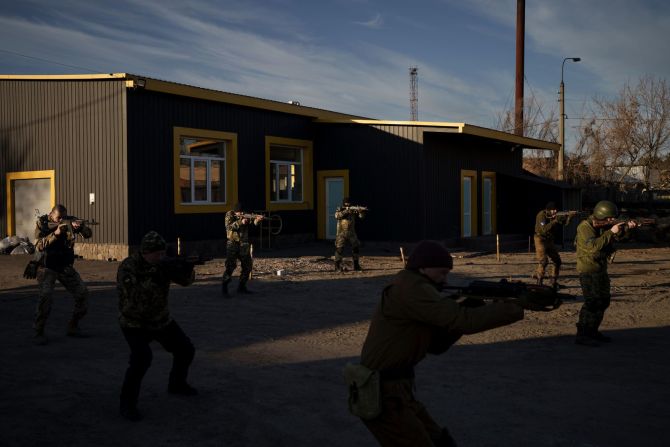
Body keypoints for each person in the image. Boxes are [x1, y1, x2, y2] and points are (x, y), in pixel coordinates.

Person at [356, 240, 529, 446]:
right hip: (383, 393)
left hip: (397, 389)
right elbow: (463, 321)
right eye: (442, 273)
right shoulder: (412, 288)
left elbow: (436, 345)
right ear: (422, 268)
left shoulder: (413, 286)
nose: (445, 280)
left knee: (441, 441)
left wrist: (471, 305)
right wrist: (516, 307)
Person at [117, 231, 197, 422]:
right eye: (157, 254)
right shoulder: (129, 266)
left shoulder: (163, 265)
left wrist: (185, 268)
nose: (161, 257)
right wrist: (157, 276)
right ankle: (127, 404)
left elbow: (187, 282)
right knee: (141, 359)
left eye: (163, 253)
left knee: (186, 349)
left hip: (160, 320)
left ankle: (177, 384)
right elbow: (134, 296)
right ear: (145, 252)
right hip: (134, 322)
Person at [574, 200, 636, 346]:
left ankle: (593, 331)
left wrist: (628, 229)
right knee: (592, 302)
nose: (611, 221)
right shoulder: (585, 227)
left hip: (600, 268)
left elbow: (618, 239)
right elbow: (593, 246)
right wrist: (611, 231)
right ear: (601, 215)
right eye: (609, 218)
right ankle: (583, 334)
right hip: (589, 269)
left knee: (604, 300)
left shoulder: (604, 226)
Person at [32, 204, 93, 345]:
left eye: (63, 218)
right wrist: (55, 234)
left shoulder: (70, 222)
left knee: (82, 294)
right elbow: (39, 245)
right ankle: (38, 331)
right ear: (51, 215)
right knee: (45, 297)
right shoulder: (42, 223)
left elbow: (88, 234)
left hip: (64, 266)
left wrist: (80, 228)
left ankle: (73, 325)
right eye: (58, 218)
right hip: (47, 266)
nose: (61, 221)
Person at [221, 203, 263, 296]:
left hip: (243, 244)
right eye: (240, 212)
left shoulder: (245, 215)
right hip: (232, 244)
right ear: (236, 211)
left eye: (243, 212)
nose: (242, 213)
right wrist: (241, 222)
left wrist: (257, 220)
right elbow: (229, 227)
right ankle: (224, 287)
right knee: (230, 266)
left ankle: (242, 286)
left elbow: (254, 223)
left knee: (248, 266)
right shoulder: (229, 215)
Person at [533, 201, 572, 288]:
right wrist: (555, 221)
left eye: (556, 209)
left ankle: (553, 281)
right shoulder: (541, 215)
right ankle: (539, 281)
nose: (555, 211)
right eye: (553, 210)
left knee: (557, 261)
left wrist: (568, 218)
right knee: (543, 261)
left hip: (549, 240)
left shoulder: (555, 216)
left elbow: (564, 224)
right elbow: (544, 229)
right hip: (540, 239)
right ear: (548, 209)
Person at [334, 197, 365, 272]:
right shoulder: (340, 209)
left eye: (349, 203)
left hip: (351, 232)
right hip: (341, 233)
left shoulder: (353, 210)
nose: (347, 204)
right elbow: (337, 216)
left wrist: (361, 212)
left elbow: (362, 217)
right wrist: (346, 211)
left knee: (356, 248)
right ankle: (337, 266)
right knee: (339, 249)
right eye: (346, 203)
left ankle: (356, 265)